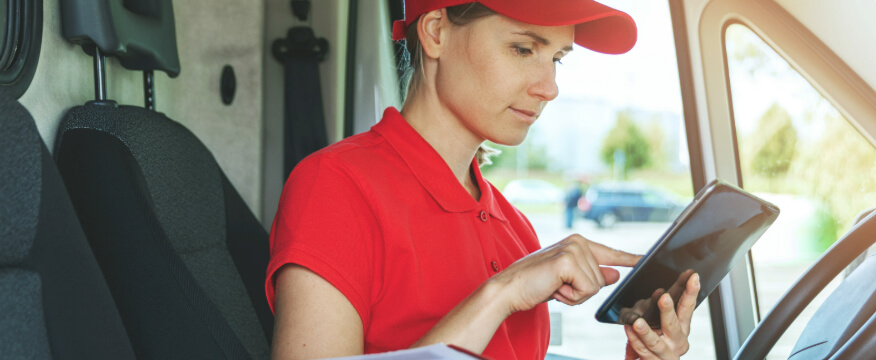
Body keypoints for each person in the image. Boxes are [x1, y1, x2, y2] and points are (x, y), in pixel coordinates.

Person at [264, 1, 702, 359]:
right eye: (523, 49)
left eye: (557, 59)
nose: (549, 87)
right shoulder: (336, 186)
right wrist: (502, 292)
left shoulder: (517, 228)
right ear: (436, 32)